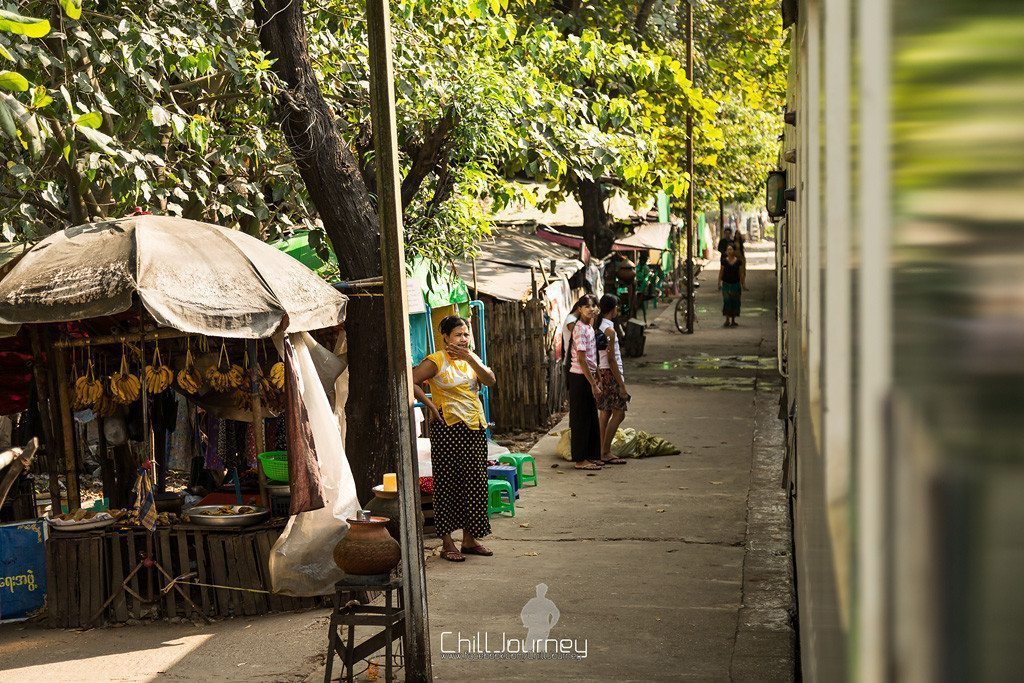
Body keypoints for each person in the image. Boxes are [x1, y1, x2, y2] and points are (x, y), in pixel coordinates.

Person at [412, 315, 497, 562]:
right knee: (448, 484)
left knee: (475, 483)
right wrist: (430, 405)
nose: (463, 339)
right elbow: (412, 380)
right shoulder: (436, 360)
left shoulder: (471, 359)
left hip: (474, 427)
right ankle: (447, 542)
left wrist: (470, 357)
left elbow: (490, 380)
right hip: (448, 429)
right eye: (458, 334)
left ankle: (469, 540)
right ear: (446, 337)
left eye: (466, 334)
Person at [566, 294, 604, 470]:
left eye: (594, 306)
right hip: (580, 377)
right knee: (581, 419)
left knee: (590, 418)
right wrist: (594, 384)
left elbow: (590, 358)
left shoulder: (589, 327)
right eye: (587, 306)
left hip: (587, 375)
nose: (591, 309)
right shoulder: (580, 329)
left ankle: (590, 455)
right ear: (579, 309)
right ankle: (581, 460)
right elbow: (582, 360)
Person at [594, 295, 628, 465]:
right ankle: (605, 451)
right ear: (613, 308)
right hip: (610, 373)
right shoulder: (609, 331)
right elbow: (612, 359)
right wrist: (621, 385)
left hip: (602, 371)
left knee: (605, 412)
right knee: (619, 413)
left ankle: (600, 450)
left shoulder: (598, 325)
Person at [717, 244, 748, 327]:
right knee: (727, 301)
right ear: (726, 252)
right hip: (726, 284)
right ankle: (727, 320)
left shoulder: (738, 262)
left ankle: (733, 320)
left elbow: (740, 273)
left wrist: (743, 284)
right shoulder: (724, 261)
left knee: (735, 301)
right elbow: (721, 272)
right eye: (728, 250)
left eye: (731, 249)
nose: (730, 251)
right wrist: (719, 282)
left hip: (735, 284)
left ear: (734, 251)